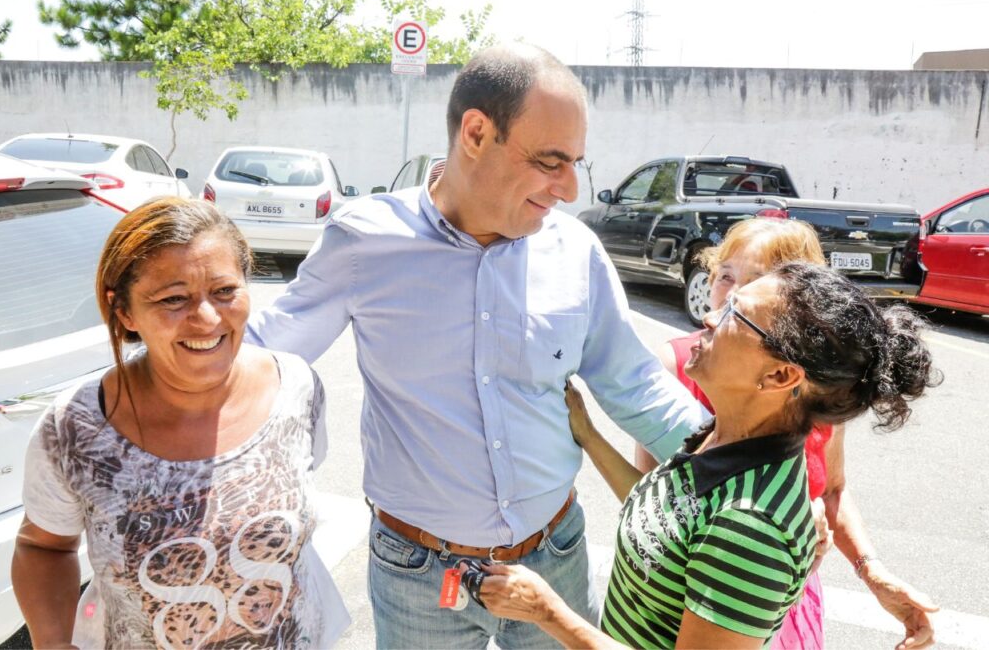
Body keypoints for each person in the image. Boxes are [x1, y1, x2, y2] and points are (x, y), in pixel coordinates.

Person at [244, 43, 708, 647]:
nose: (569, 189)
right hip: (417, 574)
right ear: (476, 132)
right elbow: (262, 358)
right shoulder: (364, 244)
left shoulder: (575, 250)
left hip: (553, 558)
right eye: (551, 161)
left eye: (576, 164)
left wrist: (742, 456)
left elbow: (632, 380)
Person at [476, 262, 940, 649]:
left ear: (780, 376)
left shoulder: (751, 525)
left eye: (737, 314)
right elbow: (666, 518)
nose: (711, 316)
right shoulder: (724, 438)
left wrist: (546, 611)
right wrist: (590, 435)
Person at [12, 198, 349, 649]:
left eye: (225, 291)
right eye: (174, 299)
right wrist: (53, 642)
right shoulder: (78, 427)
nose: (207, 318)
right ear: (125, 312)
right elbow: (43, 547)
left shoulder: (296, 389)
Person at [635, 218, 940, 649]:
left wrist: (871, 570)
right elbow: (648, 496)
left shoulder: (818, 395)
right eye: (725, 276)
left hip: (781, 597)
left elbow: (832, 490)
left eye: (755, 284)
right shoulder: (680, 367)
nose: (720, 300)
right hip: (684, 594)